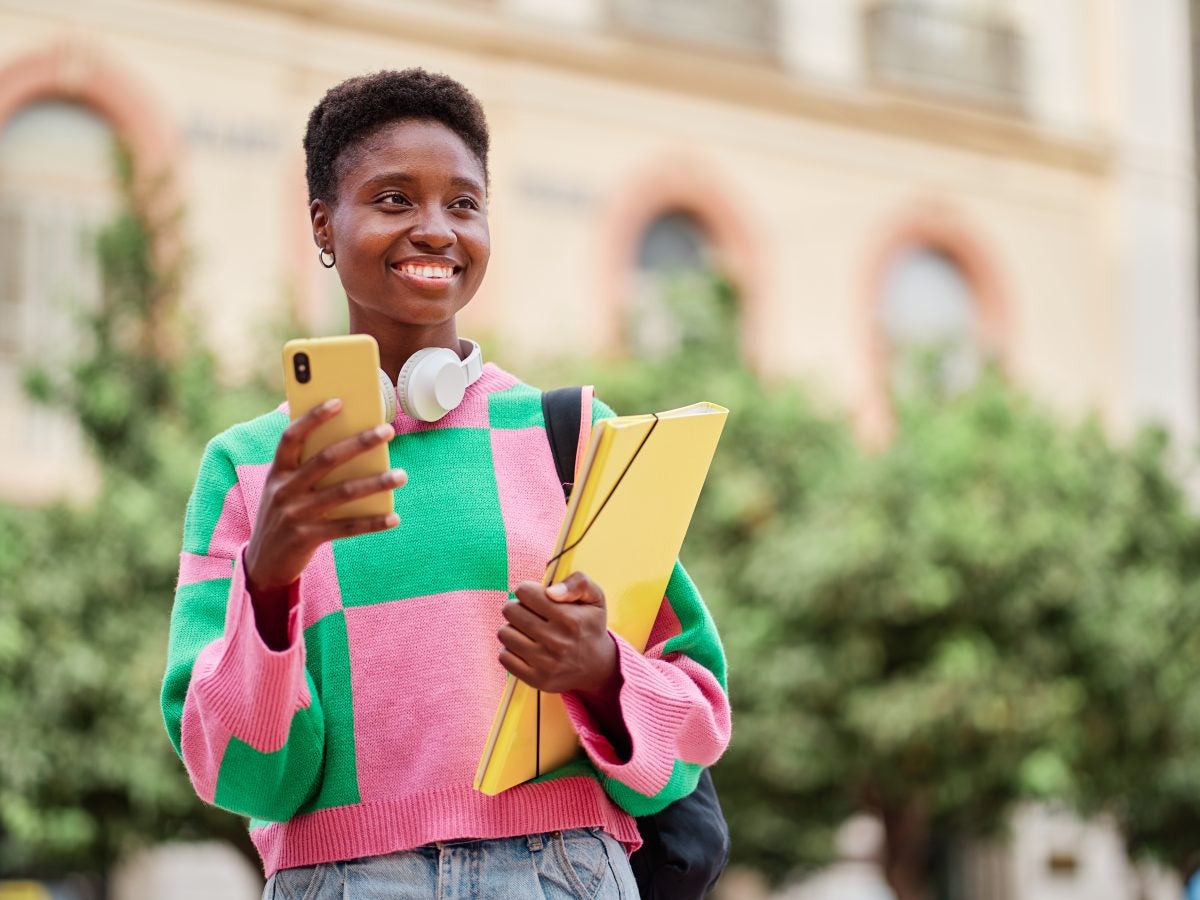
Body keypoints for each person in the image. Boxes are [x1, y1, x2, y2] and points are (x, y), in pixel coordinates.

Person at [160, 68, 731, 899]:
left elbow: (699, 716)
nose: (435, 229)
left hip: (561, 872)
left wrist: (601, 671)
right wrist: (270, 579)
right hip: (342, 881)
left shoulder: (570, 436)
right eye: (394, 199)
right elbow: (244, 774)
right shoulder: (249, 469)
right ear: (325, 223)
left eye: (463, 204)